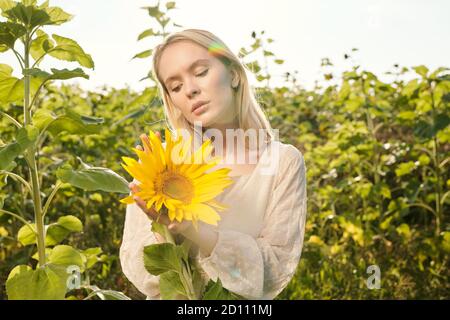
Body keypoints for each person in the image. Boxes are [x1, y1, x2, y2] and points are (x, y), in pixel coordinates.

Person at [119, 29, 307, 300]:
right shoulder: (161, 165)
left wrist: (194, 229)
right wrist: (162, 228)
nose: (191, 89)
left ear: (233, 74)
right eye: (175, 87)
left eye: (201, 71)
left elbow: (275, 269)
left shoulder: (282, 163)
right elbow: (141, 272)